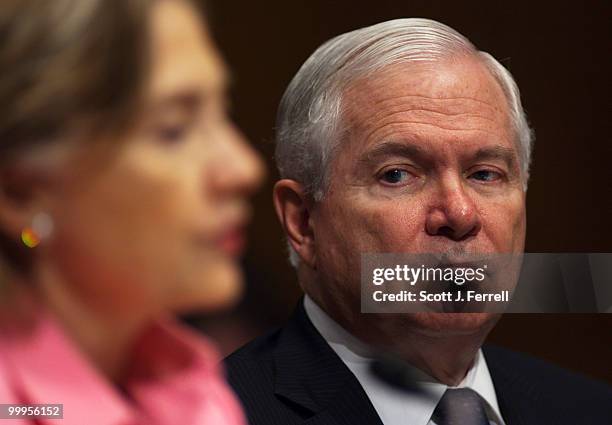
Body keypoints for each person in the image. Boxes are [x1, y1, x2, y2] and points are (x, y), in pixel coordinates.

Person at [225, 18, 612, 425]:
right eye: (397, 174)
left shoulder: (591, 409)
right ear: (303, 221)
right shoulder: (216, 415)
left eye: (484, 173)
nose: (460, 214)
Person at [0, 0, 263, 424]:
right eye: (174, 130)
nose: (244, 168)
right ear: (21, 192)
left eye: (223, 112)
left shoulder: (188, 383)